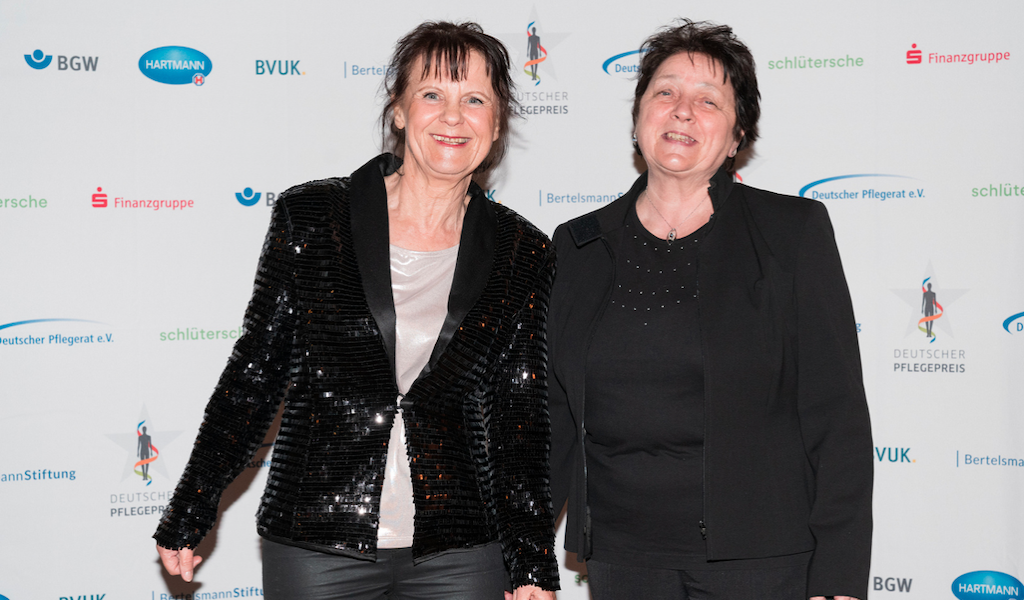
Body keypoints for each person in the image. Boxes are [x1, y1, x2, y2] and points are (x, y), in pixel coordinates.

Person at [154, 21, 559, 600]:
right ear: (399, 110)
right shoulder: (314, 217)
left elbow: (519, 416)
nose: (453, 116)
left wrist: (531, 560)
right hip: (317, 539)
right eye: (432, 94)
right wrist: (192, 504)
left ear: (496, 125)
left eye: (474, 99)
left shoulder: (523, 250)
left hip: (461, 550)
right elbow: (256, 373)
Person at [547, 19, 872, 600]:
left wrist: (839, 577)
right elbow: (554, 419)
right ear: (638, 116)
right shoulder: (578, 246)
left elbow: (837, 416)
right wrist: (524, 557)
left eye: (708, 101)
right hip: (623, 558)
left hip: (761, 559)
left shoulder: (791, 233)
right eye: (665, 92)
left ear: (736, 135)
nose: (682, 111)